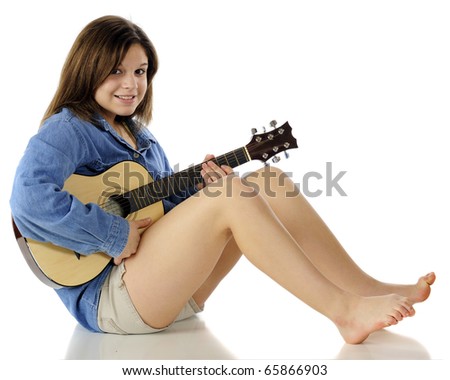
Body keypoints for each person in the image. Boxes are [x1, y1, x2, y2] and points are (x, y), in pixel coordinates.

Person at [10, 15, 435, 345]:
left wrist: (198, 189)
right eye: (117, 71)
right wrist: (114, 234)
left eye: (141, 72)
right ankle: (344, 312)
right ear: (89, 69)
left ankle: (364, 288)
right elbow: (27, 200)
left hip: (172, 293)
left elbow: (159, 220)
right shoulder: (69, 127)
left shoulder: (142, 138)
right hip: (112, 302)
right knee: (232, 193)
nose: (131, 84)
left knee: (270, 181)